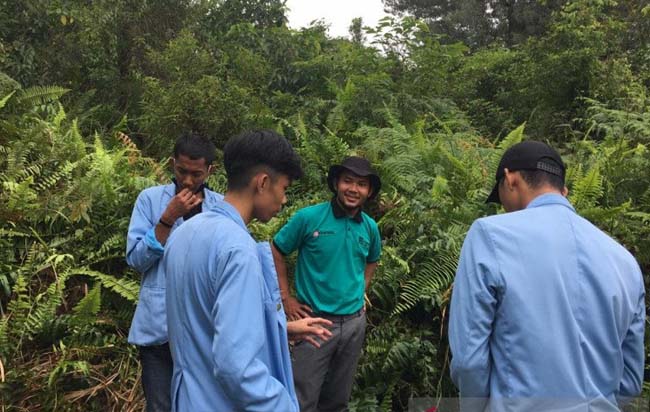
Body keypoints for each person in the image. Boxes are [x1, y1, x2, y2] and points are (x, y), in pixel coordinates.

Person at [448, 140, 645, 411]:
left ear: (510, 179)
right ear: (562, 190)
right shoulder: (624, 261)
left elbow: (469, 361)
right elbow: (631, 380)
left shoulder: (490, 236)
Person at [163, 129, 333, 411]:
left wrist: (279, 329)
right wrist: (283, 406)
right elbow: (235, 367)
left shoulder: (183, 233)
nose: (284, 200)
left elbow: (203, 324)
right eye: (285, 188)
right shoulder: (238, 249)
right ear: (263, 183)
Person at [272, 155, 382, 412]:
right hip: (315, 322)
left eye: (362, 184)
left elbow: (372, 260)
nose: (354, 189)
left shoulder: (370, 228)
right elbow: (276, 250)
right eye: (348, 181)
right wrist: (286, 299)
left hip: (354, 324)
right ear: (336, 183)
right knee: (301, 399)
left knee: (338, 400)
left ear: (369, 191)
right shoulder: (309, 218)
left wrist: (360, 291)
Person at [126, 133, 223, 412]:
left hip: (204, 327)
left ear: (210, 171)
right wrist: (168, 218)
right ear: (172, 164)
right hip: (159, 329)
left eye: (197, 173)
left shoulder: (220, 208)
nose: (188, 181)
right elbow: (135, 259)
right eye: (182, 171)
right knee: (160, 406)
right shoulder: (150, 200)